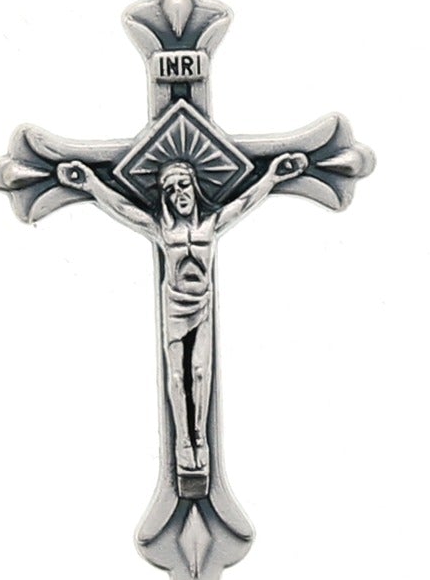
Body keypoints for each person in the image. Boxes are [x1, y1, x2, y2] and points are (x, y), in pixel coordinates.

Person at [57, 149, 307, 492]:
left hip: (201, 304)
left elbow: (245, 202)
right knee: (177, 377)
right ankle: (183, 444)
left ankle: (200, 438)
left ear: (194, 186)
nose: (179, 195)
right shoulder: (162, 230)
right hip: (174, 306)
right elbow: (123, 207)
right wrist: (90, 184)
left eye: (184, 185)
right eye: (171, 190)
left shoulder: (211, 225)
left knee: (200, 373)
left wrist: (272, 177)